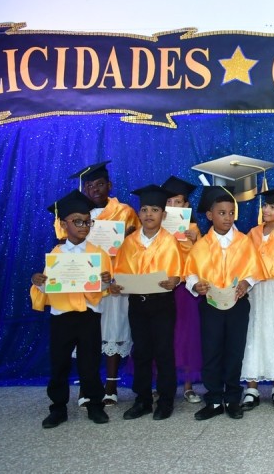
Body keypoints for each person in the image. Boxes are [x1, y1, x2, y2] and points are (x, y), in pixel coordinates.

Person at [31, 190, 113, 428]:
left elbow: (103, 289)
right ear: (63, 224)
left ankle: (95, 405)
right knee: (59, 364)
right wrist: (39, 281)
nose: (84, 226)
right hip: (62, 316)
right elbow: (48, 287)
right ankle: (58, 408)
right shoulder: (56, 254)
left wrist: (106, 281)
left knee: (90, 363)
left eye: (87, 221)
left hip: (88, 315)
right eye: (77, 221)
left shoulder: (98, 254)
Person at [68, 161, 140, 407]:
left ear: (109, 185)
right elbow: (66, 241)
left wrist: (129, 238)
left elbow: (140, 245)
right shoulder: (77, 211)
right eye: (89, 185)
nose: (94, 189)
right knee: (85, 333)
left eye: (99, 184)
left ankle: (111, 384)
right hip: (86, 281)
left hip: (115, 280)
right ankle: (86, 386)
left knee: (114, 330)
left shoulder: (124, 212)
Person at [184, 186, 258, 420]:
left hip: (237, 303)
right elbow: (190, 273)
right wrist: (196, 285)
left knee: (235, 351)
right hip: (211, 305)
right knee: (212, 351)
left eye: (231, 213)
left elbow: (254, 270)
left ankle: (233, 398)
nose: (227, 217)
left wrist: (246, 282)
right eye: (222, 213)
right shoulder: (201, 245)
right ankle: (214, 399)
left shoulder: (244, 242)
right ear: (210, 215)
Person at [113, 185, 183, 420]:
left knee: (164, 352)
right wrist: (116, 284)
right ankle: (142, 400)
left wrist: (175, 280)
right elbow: (120, 272)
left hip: (162, 303)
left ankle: (165, 400)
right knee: (141, 352)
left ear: (163, 214)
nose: (149, 214)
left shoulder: (170, 242)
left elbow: (178, 272)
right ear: (139, 213)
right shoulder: (129, 242)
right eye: (144, 209)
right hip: (137, 304)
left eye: (155, 209)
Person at [241, 186, 274, 410]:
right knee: (253, 335)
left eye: (273, 206)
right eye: (265, 205)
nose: (266, 210)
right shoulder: (252, 233)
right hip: (255, 290)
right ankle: (251, 387)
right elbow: (243, 261)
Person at [161, 176, 203, 404]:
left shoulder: (194, 229)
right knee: (162, 336)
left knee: (186, 337)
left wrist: (196, 241)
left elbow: (204, 260)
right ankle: (160, 384)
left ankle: (188, 385)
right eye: (168, 202)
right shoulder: (155, 228)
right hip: (161, 286)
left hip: (184, 290)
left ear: (186, 205)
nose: (173, 206)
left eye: (178, 202)